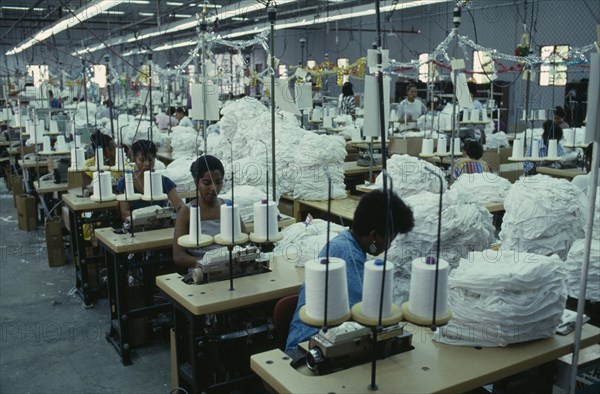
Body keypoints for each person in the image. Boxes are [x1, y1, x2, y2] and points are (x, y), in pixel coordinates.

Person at [285, 190, 415, 350]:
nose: (388, 245)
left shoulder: (348, 245)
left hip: (328, 342)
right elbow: (366, 317)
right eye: (390, 239)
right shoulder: (345, 254)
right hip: (307, 347)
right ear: (374, 235)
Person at [173, 155, 247, 270]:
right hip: (201, 271)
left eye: (218, 182)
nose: (214, 188)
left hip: (232, 268)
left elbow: (245, 241)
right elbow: (179, 256)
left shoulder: (229, 208)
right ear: (196, 181)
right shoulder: (186, 212)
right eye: (207, 183)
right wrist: (209, 263)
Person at [116, 139, 183, 220]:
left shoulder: (164, 181)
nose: (147, 164)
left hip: (161, 226)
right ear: (134, 160)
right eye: (142, 160)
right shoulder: (125, 182)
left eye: (151, 160)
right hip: (136, 228)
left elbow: (180, 206)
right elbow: (125, 213)